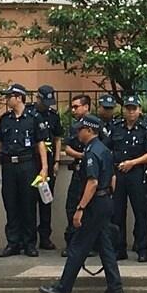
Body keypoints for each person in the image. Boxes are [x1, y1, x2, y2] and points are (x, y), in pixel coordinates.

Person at [39, 116, 125, 293]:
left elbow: (92, 182)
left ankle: (63, 289)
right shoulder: (103, 150)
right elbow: (112, 179)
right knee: (105, 247)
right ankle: (115, 289)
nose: (77, 133)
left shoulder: (92, 152)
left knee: (78, 246)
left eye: (80, 129)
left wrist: (80, 208)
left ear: (89, 130)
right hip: (104, 201)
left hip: (94, 204)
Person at [0, 84, 47, 258]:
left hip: (27, 164)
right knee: (10, 204)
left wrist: (44, 168)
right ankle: (13, 242)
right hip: (9, 166)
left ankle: (29, 243)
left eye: (9, 96)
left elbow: (40, 143)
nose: (7, 100)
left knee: (28, 204)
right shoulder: (5, 119)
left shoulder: (33, 118)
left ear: (19, 97)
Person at [108, 95, 147, 262]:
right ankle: (119, 248)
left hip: (137, 173)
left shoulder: (145, 128)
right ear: (123, 110)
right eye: (128, 109)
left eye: (134, 109)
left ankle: (142, 249)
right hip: (119, 174)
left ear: (139, 110)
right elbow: (107, 149)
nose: (131, 112)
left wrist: (133, 163)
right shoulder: (116, 127)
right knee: (117, 213)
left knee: (141, 213)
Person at [59, 94, 93, 256]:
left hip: (92, 174)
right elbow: (67, 148)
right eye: (72, 107)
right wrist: (81, 156)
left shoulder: (95, 124)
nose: (73, 110)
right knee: (71, 207)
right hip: (78, 171)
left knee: (89, 209)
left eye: (76, 106)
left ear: (86, 107)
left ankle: (90, 245)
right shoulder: (74, 127)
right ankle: (72, 243)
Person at [33, 86, 62, 250]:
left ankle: (45, 237)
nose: (47, 105)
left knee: (46, 200)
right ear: (38, 98)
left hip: (49, 162)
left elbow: (58, 138)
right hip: (31, 161)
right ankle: (28, 238)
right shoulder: (30, 114)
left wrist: (57, 161)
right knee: (29, 201)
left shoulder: (53, 116)